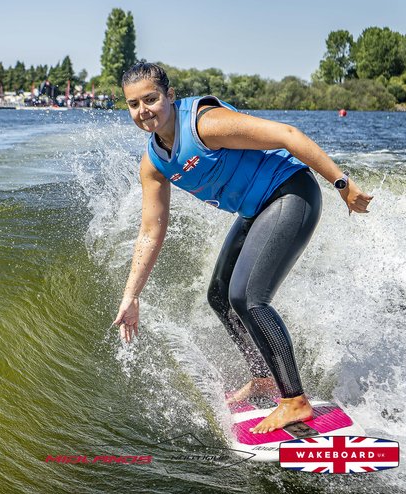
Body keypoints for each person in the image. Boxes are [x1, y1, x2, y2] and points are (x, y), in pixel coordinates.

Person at [112, 62, 372, 434]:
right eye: (134, 104)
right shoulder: (153, 164)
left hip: (291, 192)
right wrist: (131, 296)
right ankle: (266, 379)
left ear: (169, 96)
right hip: (258, 208)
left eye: (151, 99)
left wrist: (342, 184)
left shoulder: (204, 124)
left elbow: (286, 134)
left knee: (248, 297)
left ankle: (295, 401)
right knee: (220, 295)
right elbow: (150, 232)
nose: (144, 111)